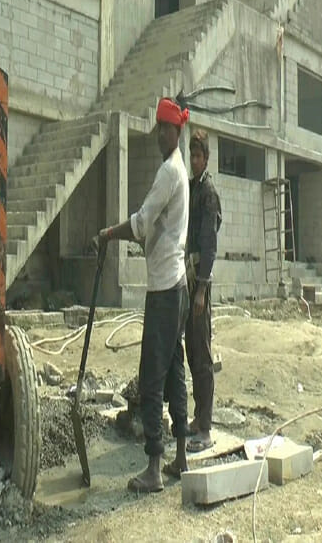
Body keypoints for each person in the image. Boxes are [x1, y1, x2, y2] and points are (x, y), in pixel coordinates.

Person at [92, 97, 191, 493]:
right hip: (176, 284)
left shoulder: (169, 172)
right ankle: (180, 456)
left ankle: (154, 465)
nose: (157, 136)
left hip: (166, 290)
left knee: (152, 379)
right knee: (175, 371)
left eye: (163, 130)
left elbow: (140, 223)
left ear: (175, 131)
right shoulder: (178, 170)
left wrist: (107, 235)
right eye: (157, 130)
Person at [185, 128, 221, 453]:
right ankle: (197, 417)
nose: (194, 160)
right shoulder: (191, 188)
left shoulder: (208, 191)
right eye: (192, 155)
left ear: (206, 158)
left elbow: (209, 243)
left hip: (200, 279)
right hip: (187, 275)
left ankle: (205, 427)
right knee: (191, 350)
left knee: (203, 352)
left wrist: (201, 290)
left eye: (199, 156)